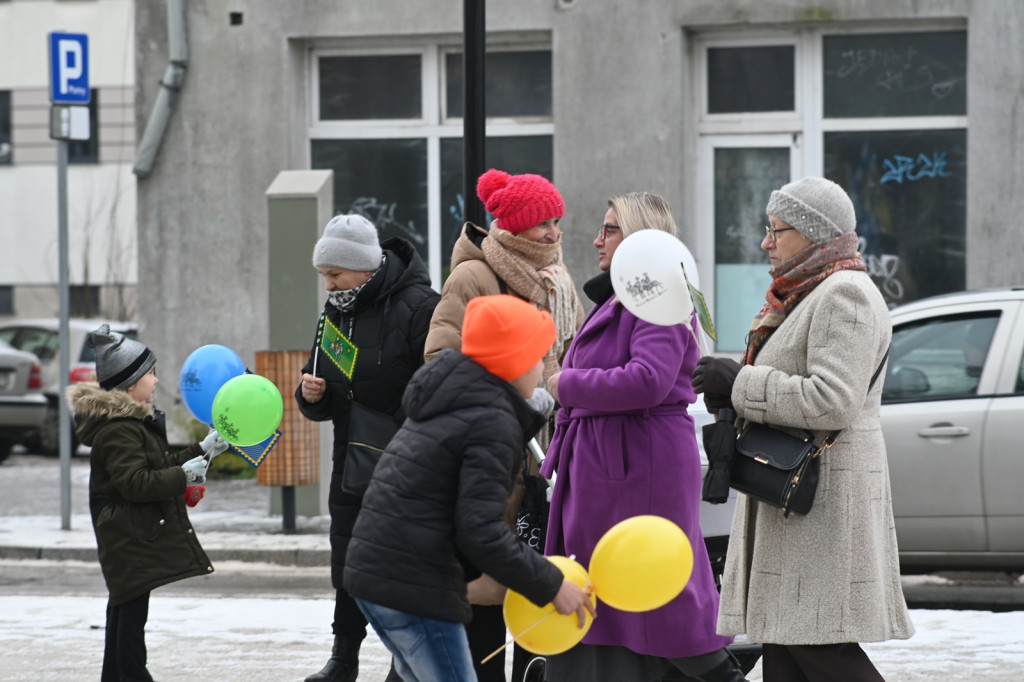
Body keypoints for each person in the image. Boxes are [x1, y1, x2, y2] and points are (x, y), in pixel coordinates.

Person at [692, 177, 914, 681]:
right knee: (789, 647)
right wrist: (732, 385)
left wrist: (740, 381)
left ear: (814, 234)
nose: (766, 243)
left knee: (821, 648)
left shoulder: (846, 295)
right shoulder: (804, 293)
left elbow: (831, 400)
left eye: (777, 231)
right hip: (795, 500)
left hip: (823, 503)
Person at [540, 192, 748, 682]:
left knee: (655, 588)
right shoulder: (622, 296)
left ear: (639, 237)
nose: (596, 240)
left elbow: (648, 379)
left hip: (637, 465)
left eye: (609, 229)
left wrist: (564, 384)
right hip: (608, 463)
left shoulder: (657, 297)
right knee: (607, 592)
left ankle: (716, 675)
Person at [344, 294, 596, 682]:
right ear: (512, 361)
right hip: (411, 584)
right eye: (538, 356)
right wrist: (551, 584)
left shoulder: (456, 398)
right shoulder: (490, 420)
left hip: (379, 573)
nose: (544, 368)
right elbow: (481, 531)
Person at [425, 167, 585, 681]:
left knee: (538, 586)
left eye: (557, 222)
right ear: (513, 227)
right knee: (489, 587)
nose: (554, 234)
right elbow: (440, 360)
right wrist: (514, 397)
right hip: (491, 452)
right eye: (542, 224)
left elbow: (574, 352)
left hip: (547, 454)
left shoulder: (558, 280)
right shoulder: (474, 276)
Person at [295, 213, 439, 682]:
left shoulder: (420, 306)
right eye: (324, 276)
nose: (328, 285)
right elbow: (327, 386)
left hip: (404, 461)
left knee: (400, 568)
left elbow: (435, 387)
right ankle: (344, 659)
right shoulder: (336, 311)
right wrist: (310, 396)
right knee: (350, 561)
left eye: (334, 274)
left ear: (365, 268)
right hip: (351, 460)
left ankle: (405, 663)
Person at [65, 324, 230, 682]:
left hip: (128, 534)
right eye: (150, 374)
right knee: (129, 623)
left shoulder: (132, 423)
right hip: (127, 537)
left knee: (125, 612)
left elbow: (158, 467)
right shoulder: (119, 429)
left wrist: (202, 450)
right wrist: (183, 476)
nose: (156, 382)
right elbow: (137, 484)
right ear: (129, 384)